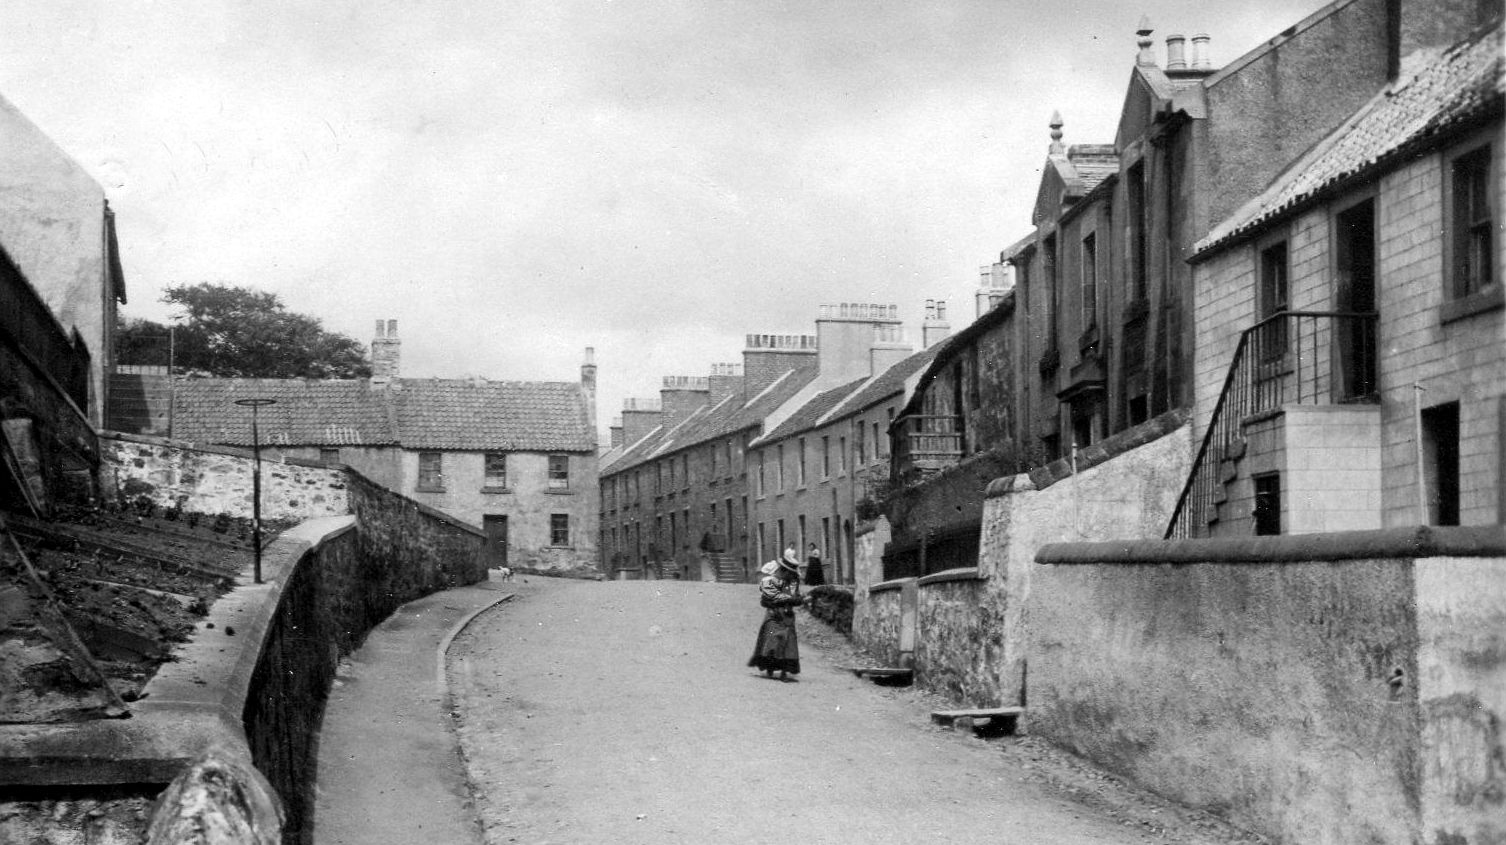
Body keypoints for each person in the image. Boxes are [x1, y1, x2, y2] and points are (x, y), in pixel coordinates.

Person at [748, 548, 804, 681]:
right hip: (774, 615)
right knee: (772, 641)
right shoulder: (771, 581)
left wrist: (798, 600)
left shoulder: (793, 584)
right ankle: (770, 668)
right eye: (789, 573)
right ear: (783, 571)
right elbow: (764, 600)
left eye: (792, 574)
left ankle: (785, 670)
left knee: (788, 644)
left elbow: (796, 599)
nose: (790, 576)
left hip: (787, 617)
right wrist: (775, 605)